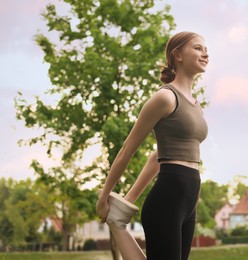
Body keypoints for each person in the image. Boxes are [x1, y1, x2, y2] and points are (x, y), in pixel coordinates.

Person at [96, 31, 209, 260]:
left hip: (189, 197)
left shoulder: (196, 106)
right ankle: (116, 223)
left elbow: (155, 157)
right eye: (197, 48)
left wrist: (127, 201)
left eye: (206, 49)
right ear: (177, 55)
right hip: (169, 195)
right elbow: (128, 148)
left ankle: (117, 220)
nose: (205, 53)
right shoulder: (165, 98)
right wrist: (104, 197)